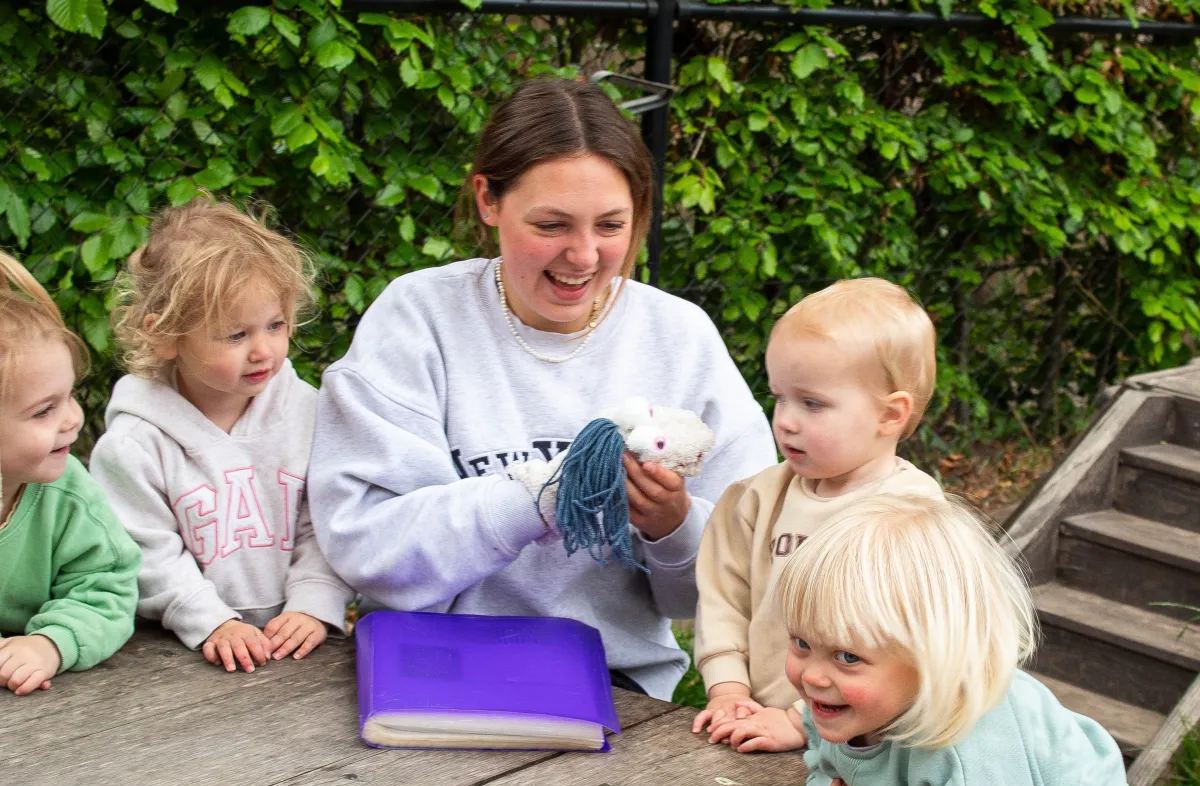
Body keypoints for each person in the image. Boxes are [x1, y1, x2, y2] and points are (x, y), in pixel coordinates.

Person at [307, 77, 776, 700]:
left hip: (614, 689)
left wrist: (672, 524)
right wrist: (542, 496)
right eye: (551, 224)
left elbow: (730, 588)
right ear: (487, 199)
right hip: (427, 671)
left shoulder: (679, 338)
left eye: (611, 225)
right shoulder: (417, 320)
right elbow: (370, 550)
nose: (583, 256)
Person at [721, 494, 1156, 786]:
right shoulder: (862, 700)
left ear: (933, 664)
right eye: (801, 643)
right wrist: (797, 724)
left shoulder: (971, 765)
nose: (812, 676)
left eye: (847, 657)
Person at [90, 197, 353, 674]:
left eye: (275, 325)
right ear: (166, 335)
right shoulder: (134, 445)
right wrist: (212, 622)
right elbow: (145, 552)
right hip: (174, 655)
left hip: (297, 647)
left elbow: (329, 519)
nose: (263, 350)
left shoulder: (308, 411)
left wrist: (315, 600)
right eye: (235, 335)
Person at [692, 278, 943, 742]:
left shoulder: (915, 516)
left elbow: (917, 652)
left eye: (812, 403)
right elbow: (724, 598)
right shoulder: (759, 499)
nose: (785, 420)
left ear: (890, 414)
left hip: (871, 750)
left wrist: (798, 720)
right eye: (779, 397)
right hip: (751, 722)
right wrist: (728, 688)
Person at [0, 251, 139, 695]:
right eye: (44, 410)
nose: (73, 420)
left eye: (71, 396)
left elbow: (108, 588)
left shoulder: (70, 493)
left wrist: (49, 644)